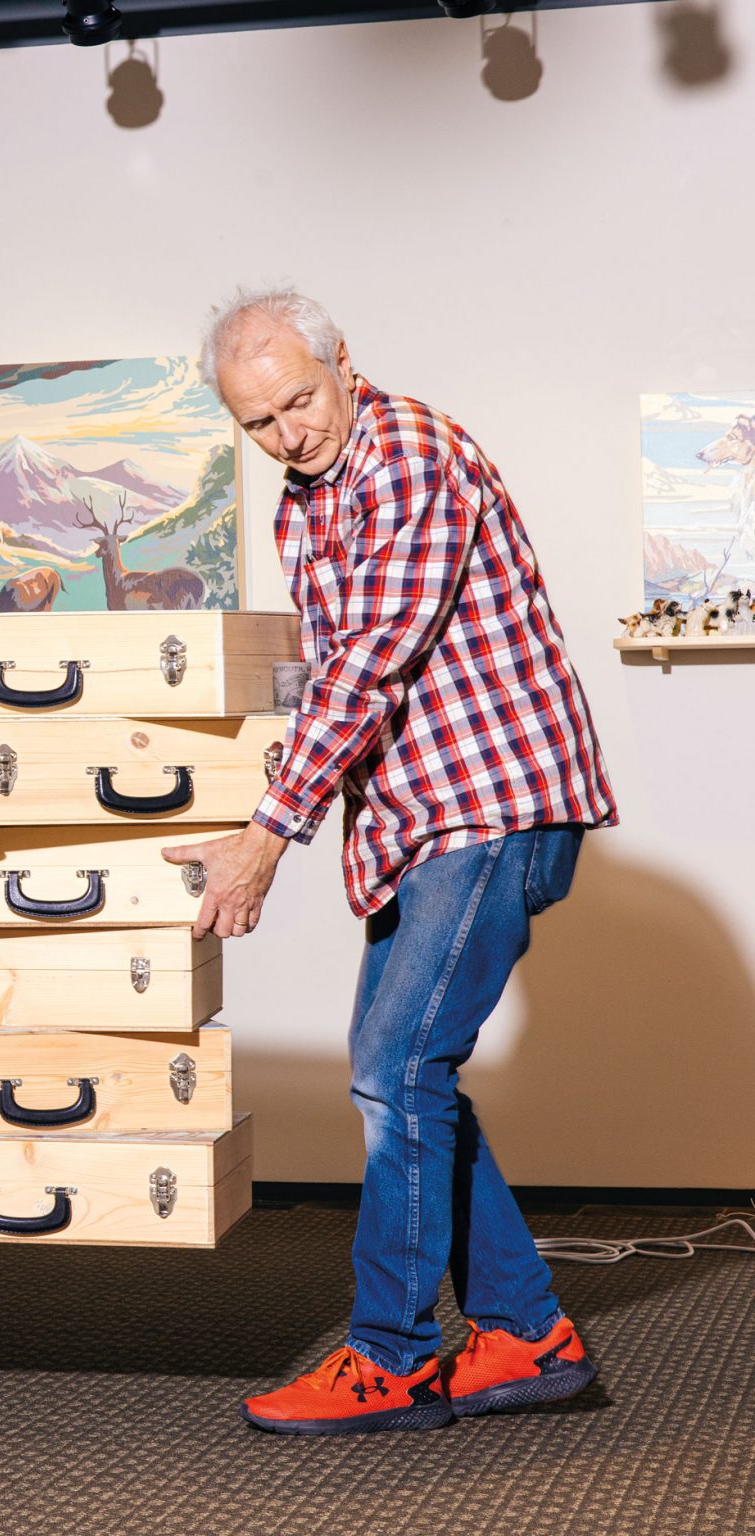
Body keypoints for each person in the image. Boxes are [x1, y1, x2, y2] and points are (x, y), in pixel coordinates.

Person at [178, 288, 618, 1436]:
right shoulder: (307, 497)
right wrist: (246, 802)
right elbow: (330, 676)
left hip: (490, 802)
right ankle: (524, 1335)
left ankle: (389, 1358)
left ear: (343, 366)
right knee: (403, 1075)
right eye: (258, 422)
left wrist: (265, 837)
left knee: (395, 1068)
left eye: (298, 402)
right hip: (420, 819)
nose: (287, 434)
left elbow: (373, 658)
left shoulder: (409, 453)